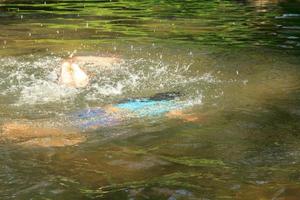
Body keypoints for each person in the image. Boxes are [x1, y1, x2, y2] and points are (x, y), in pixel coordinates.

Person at [0, 58, 198, 147]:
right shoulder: (173, 107)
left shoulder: (144, 101)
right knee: (65, 131)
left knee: (58, 126)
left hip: (107, 109)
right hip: (110, 118)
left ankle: (11, 131)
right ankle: (9, 133)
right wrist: (194, 116)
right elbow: (181, 116)